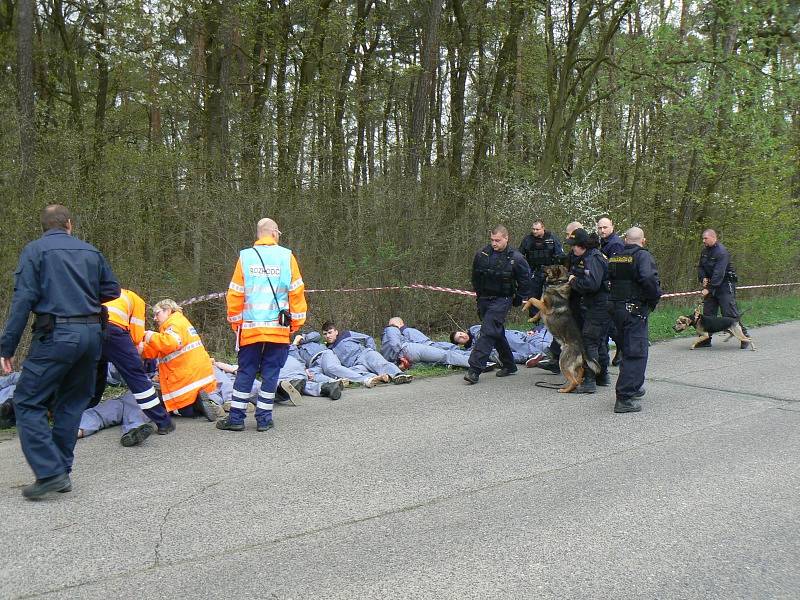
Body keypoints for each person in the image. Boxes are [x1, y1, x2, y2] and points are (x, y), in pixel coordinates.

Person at [0, 205, 120, 499]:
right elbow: (112, 290)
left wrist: (7, 347)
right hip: (92, 335)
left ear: (44, 227)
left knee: (28, 401)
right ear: (69, 224)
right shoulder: (91, 252)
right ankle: (61, 470)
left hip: (56, 336)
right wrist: (82, 295)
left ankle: (50, 472)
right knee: (72, 402)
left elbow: (23, 299)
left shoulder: (35, 251)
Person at [216, 218, 307, 432]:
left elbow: (235, 294)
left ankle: (236, 418)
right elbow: (296, 293)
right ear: (274, 232)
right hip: (278, 329)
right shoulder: (287, 256)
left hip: (250, 329)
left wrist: (236, 323)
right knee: (271, 373)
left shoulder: (245, 257)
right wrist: (294, 325)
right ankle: (264, 419)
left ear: (259, 234)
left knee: (245, 371)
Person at [92, 288, 174, 441]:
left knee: (95, 374)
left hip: (86, 329)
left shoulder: (105, 291)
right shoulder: (136, 300)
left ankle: (82, 410)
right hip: (112, 329)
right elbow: (136, 336)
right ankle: (163, 422)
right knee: (136, 376)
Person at [464, 225, 532, 384]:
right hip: (484, 298)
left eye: (498, 240)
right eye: (492, 240)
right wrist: (478, 296)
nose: (494, 243)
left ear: (506, 238)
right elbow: (475, 276)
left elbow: (526, 280)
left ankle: (474, 369)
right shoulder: (482, 254)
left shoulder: (516, 258)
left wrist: (519, 297)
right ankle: (509, 364)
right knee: (496, 331)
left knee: (487, 331)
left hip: (502, 299)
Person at [608, 227, 662, 413]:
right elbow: (648, 279)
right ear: (643, 241)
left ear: (625, 240)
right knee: (636, 352)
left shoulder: (616, 257)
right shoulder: (642, 256)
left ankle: (635, 386)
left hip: (616, 310)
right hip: (634, 310)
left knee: (627, 349)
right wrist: (653, 300)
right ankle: (625, 397)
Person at [140, 299, 219, 422]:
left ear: (168, 310)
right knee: (186, 408)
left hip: (187, 376)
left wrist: (149, 335)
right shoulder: (177, 324)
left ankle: (199, 404)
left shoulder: (173, 324)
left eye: (157, 313)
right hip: (197, 373)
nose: (155, 318)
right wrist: (140, 349)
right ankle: (202, 403)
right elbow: (160, 349)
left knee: (186, 411)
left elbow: (169, 343)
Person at [566, 228, 611, 393]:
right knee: (599, 341)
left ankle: (590, 381)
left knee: (590, 341)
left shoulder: (593, 259)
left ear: (582, 245)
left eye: (574, 246)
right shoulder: (587, 257)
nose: (572, 249)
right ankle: (603, 376)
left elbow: (592, 285)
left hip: (599, 305)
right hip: (597, 305)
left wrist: (573, 281)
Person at [697, 229, 749, 349]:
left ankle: (744, 337)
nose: (703, 241)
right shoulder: (704, 251)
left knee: (730, 314)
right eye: (703, 239)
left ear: (713, 237)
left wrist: (708, 289)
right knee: (708, 314)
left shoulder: (722, 252)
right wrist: (703, 277)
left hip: (724, 286)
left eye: (705, 238)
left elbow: (719, 274)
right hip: (712, 285)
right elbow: (700, 267)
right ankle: (705, 339)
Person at [321, 322, 413, 384]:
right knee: (350, 373)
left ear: (336, 332)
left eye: (330, 332)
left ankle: (399, 375)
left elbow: (367, 338)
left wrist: (371, 350)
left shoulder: (346, 334)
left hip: (364, 355)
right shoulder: (328, 350)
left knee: (380, 363)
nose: (328, 336)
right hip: (355, 365)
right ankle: (380, 377)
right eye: (325, 334)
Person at [291, 332, 385, 388]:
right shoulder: (293, 349)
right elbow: (296, 359)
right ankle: (336, 383)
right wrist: (294, 344)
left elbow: (316, 335)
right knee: (311, 376)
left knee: (332, 367)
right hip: (313, 365)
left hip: (324, 355)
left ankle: (366, 379)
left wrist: (302, 338)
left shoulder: (310, 339)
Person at [381, 317, 472, 369]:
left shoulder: (384, 341)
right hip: (411, 349)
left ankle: (474, 358)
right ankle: (477, 363)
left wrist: (397, 361)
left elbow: (387, 355)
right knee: (447, 355)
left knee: (438, 360)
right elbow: (395, 344)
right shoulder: (392, 329)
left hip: (409, 356)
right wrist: (400, 357)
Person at [519, 220, 564, 316]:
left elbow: (560, 255)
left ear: (543, 228)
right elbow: (520, 256)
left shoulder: (552, 238)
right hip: (535, 271)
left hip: (550, 272)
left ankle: (551, 320)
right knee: (533, 296)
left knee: (551, 297)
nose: (534, 231)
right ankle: (534, 321)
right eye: (533, 229)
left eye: (537, 229)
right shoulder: (527, 240)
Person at [450, 325, 552, 366]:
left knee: (501, 337)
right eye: (459, 338)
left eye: (461, 333)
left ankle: (538, 350)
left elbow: (485, 334)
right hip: (514, 348)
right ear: (460, 343)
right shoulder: (471, 349)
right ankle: (530, 357)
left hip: (521, 337)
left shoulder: (474, 330)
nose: (462, 336)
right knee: (498, 353)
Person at [597, 217, 624, 365]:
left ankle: (622, 347)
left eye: (605, 227)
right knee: (607, 325)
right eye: (600, 228)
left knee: (610, 325)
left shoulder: (616, 244)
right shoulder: (603, 242)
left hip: (612, 289)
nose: (602, 231)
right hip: (603, 287)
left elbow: (616, 268)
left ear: (612, 227)